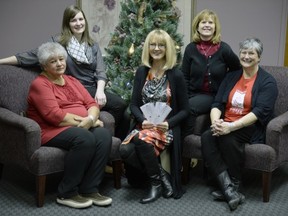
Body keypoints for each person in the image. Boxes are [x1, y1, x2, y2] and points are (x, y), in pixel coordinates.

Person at [0, 5, 129, 140]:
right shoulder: (58, 43)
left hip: (93, 88)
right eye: (74, 20)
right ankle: (100, 133)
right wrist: (1, 61)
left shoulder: (92, 45)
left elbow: (100, 71)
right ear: (67, 24)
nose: (78, 23)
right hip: (76, 88)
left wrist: (100, 91)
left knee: (123, 111)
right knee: (119, 104)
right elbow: (27, 56)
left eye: (81, 19)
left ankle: (115, 146)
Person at [27, 42, 113, 209]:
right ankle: (67, 192)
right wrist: (90, 121)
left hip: (79, 124)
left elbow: (91, 103)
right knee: (85, 138)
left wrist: (91, 117)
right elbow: (54, 116)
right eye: (53, 61)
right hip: (52, 130)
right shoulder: (40, 84)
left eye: (61, 59)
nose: (59, 64)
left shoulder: (71, 80)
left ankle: (89, 188)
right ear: (44, 65)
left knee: (103, 135)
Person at [201, 37, 278, 211]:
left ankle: (233, 184)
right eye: (243, 52)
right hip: (226, 122)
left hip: (249, 126)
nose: (246, 56)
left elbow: (259, 113)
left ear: (259, 57)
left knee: (227, 138)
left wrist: (230, 127)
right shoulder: (231, 76)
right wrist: (216, 123)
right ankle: (230, 189)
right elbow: (217, 103)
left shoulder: (268, 82)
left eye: (251, 53)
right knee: (207, 136)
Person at [119, 29, 189, 203]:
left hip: (166, 128)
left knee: (140, 140)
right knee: (123, 150)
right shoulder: (142, 72)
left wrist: (170, 123)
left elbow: (185, 110)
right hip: (146, 126)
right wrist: (143, 121)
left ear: (167, 49)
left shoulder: (176, 74)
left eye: (161, 45)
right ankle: (163, 178)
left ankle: (155, 184)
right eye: (153, 44)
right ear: (148, 47)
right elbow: (133, 105)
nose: (156, 48)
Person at [181, 9, 241, 138]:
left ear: (215, 28)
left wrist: (226, 88)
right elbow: (184, 76)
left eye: (210, 22)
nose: (207, 25)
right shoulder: (190, 49)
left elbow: (238, 70)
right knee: (181, 105)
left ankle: (185, 145)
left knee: (188, 108)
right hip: (193, 94)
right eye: (203, 22)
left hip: (215, 96)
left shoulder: (224, 48)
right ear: (197, 26)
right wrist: (185, 96)